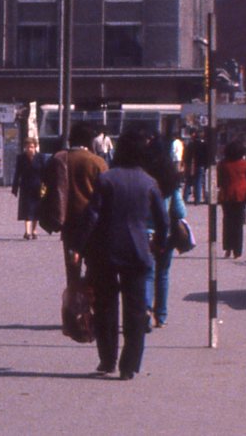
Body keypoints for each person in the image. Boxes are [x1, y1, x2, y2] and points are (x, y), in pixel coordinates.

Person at [83, 128, 167, 380]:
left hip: (106, 251)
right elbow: (163, 221)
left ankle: (107, 360)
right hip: (138, 252)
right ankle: (129, 364)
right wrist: (159, 244)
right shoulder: (149, 183)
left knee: (106, 307)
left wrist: (82, 246)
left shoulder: (107, 179)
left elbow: (92, 216)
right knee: (135, 310)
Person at [46, 122, 109, 285]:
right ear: (90, 141)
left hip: (69, 222)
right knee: (94, 270)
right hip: (93, 225)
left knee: (72, 273)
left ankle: (72, 305)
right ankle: (89, 304)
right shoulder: (97, 162)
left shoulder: (59, 159)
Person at [143, 137, 186, 328]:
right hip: (165, 234)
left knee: (147, 273)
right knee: (163, 274)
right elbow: (180, 211)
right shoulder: (170, 179)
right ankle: (161, 315)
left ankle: (145, 309)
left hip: (144, 233)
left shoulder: (142, 176)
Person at [216, 138, 246, 258]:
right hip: (241, 197)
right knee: (238, 224)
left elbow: (219, 182)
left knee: (227, 223)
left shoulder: (222, 164)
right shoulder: (245, 164)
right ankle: (237, 251)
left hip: (226, 196)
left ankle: (227, 248)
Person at [12, 137, 46, 239]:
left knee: (36, 209)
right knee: (26, 209)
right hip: (25, 187)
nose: (29, 149)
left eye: (31, 147)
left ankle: (34, 230)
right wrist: (15, 187)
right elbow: (17, 173)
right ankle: (27, 232)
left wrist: (46, 186)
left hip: (38, 186)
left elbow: (45, 173)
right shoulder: (21, 158)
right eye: (27, 147)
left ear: (35, 147)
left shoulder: (41, 157)